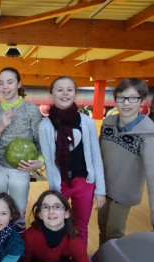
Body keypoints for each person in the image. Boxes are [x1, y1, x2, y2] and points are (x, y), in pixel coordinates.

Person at [38, 76, 106, 247]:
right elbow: (47, 158)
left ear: (75, 93)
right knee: (56, 225)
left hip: (85, 182)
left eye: (69, 89)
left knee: (80, 227)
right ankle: (59, 257)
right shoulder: (45, 126)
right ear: (51, 94)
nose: (65, 93)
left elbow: (96, 156)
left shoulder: (87, 122)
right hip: (59, 184)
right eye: (60, 89)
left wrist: (101, 190)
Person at [98, 78, 154, 245]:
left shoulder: (147, 135)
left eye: (133, 98)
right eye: (121, 97)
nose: (126, 103)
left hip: (124, 192)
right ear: (115, 99)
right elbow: (97, 154)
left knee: (113, 233)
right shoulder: (108, 123)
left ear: (141, 100)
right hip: (104, 188)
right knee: (102, 228)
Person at [0, 67, 44, 233]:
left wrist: (39, 163)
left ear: (19, 83)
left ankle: (17, 246)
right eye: (1, 83)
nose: (5, 87)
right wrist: (1, 125)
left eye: (10, 82)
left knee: (18, 211)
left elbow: (39, 139)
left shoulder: (31, 110)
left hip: (21, 168)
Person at [15, 190, 95, 262]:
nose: (51, 211)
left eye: (57, 206)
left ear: (67, 213)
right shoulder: (30, 236)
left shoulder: (73, 239)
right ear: (40, 214)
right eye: (45, 207)